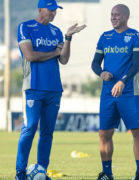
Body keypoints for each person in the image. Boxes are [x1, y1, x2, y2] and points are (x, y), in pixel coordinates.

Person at [15, 0, 86, 179]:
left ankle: (42, 171)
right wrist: (54, 52)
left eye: (55, 10)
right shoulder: (26, 27)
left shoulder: (56, 32)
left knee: (47, 132)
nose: (54, 13)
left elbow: (64, 60)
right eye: (50, 10)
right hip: (33, 87)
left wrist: (68, 38)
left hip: (54, 88)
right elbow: (30, 56)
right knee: (29, 127)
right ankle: (20, 171)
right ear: (41, 9)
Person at [91, 4, 139, 180]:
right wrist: (101, 72)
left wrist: (123, 81)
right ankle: (107, 173)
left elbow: (137, 65)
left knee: (136, 132)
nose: (113, 18)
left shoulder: (136, 36)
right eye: (111, 15)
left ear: (126, 17)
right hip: (108, 93)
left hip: (129, 91)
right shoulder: (105, 37)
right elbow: (94, 63)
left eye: (117, 15)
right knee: (104, 133)